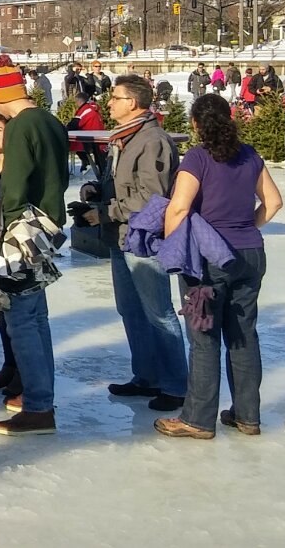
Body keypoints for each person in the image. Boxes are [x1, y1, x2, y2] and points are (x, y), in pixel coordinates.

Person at [153, 94, 283, 438]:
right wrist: (247, 229)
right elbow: (273, 202)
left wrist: (173, 248)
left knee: (204, 337)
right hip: (250, 255)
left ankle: (197, 419)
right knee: (243, 335)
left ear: (196, 124)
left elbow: (179, 208)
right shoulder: (250, 155)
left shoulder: (197, 158)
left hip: (208, 260)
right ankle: (247, 416)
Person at [0, 65, 69, 436]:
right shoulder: (51, 121)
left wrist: (7, 225)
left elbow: (14, 187)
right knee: (37, 317)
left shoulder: (20, 126)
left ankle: (38, 406)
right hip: (48, 223)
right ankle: (40, 395)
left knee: (21, 319)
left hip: (23, 230)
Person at [105, 75, 187, 411]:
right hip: (122, 236)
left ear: (133, 103)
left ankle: (176, 385)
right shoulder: (124, 137)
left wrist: (109, 210)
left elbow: (153, 198)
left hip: (145, 240)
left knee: (158, 313)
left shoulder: (152, 140)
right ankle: (147, 376)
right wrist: (99, 193)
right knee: (131, 309)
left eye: (115, 97)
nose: (109, 103)